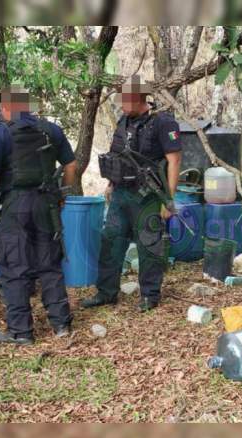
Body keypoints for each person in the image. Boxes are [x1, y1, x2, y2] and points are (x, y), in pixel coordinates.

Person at [0, 88, 77, 345]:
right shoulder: (51, 130)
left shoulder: (0, 132)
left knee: (14, 265)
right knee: (50, 263)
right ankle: (61, 324)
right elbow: (71, 165)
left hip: (15, 204)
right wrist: (62, 194)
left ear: (8, 108)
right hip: (46, 204)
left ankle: (21, 331)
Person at [80, 75, 182, 312]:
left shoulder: (163, 123)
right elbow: (116, 154)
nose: (122, 105)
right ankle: (106, 292)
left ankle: (149, 295)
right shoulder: (123, 121)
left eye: (126, 100)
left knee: (149, 245)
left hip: (148, 196)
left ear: (139, 99)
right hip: (121, 194)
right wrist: (110, 185)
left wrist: (169, 199)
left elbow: (174, 161)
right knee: (111, 242)